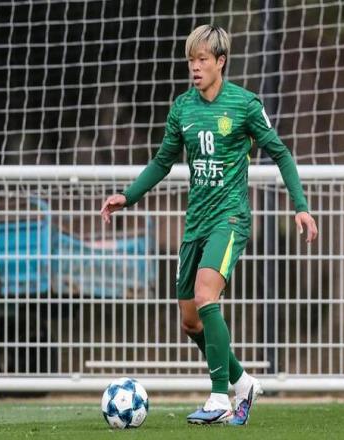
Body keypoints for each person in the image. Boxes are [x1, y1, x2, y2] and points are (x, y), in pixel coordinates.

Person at [101, 24, 318, 425]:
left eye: (202, 59)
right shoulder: (182, 108)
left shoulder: (245, 105)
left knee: (205, 294)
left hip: (229, 219)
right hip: (196, 222)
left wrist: (301, 206)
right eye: (191, 60)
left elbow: (281, 154)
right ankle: (243, 383)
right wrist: (128, 196)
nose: (195, 67)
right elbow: (162, 161)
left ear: (221, 61)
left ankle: (220, 399)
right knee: (190, 320)